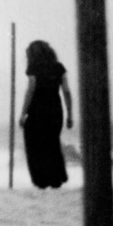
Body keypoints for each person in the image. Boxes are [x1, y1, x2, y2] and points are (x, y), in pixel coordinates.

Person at [18, 40, 73, 189]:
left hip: (37, 112)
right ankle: (57, 178)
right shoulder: (59, 68)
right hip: (55, 111)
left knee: (34, 145)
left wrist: (23, 114)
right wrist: (70, 114)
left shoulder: (33, 68)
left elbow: (31, 90)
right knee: (52, 143)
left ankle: (41, 180)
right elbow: (66, 91)